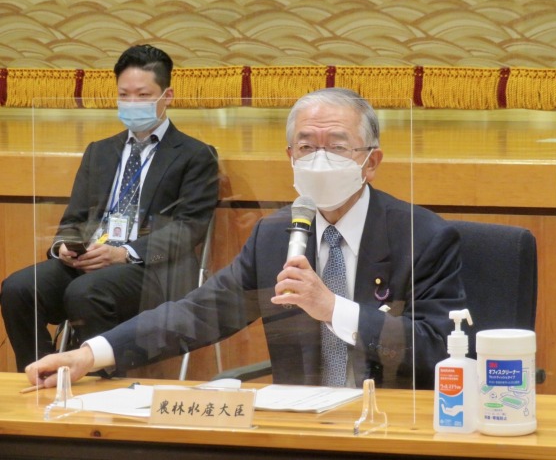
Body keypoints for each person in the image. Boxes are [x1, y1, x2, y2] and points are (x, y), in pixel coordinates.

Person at [25, 87, 465, 390]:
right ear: (290, 157)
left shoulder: (422, 237)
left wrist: (333, 308)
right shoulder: (276, 235)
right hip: (300, 426)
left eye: (337, 146)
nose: (319, 159)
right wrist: (90, 354)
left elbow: (439, 348)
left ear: (371, 162)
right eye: (306, 147)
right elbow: (196, 314)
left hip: (392, 421)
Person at [1, 44, 219, 372]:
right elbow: (74, 218)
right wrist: (63, 247)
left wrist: (124, 253)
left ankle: (102, 381)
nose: (132, 103)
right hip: (90, 260)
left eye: (143, 95)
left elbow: (188, 228)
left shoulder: (195, 155)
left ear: (167, 96)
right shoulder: (99, 151)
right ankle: (42, 376)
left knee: (85, 292)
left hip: (153, 269)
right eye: (124, 95)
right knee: (18, 288)